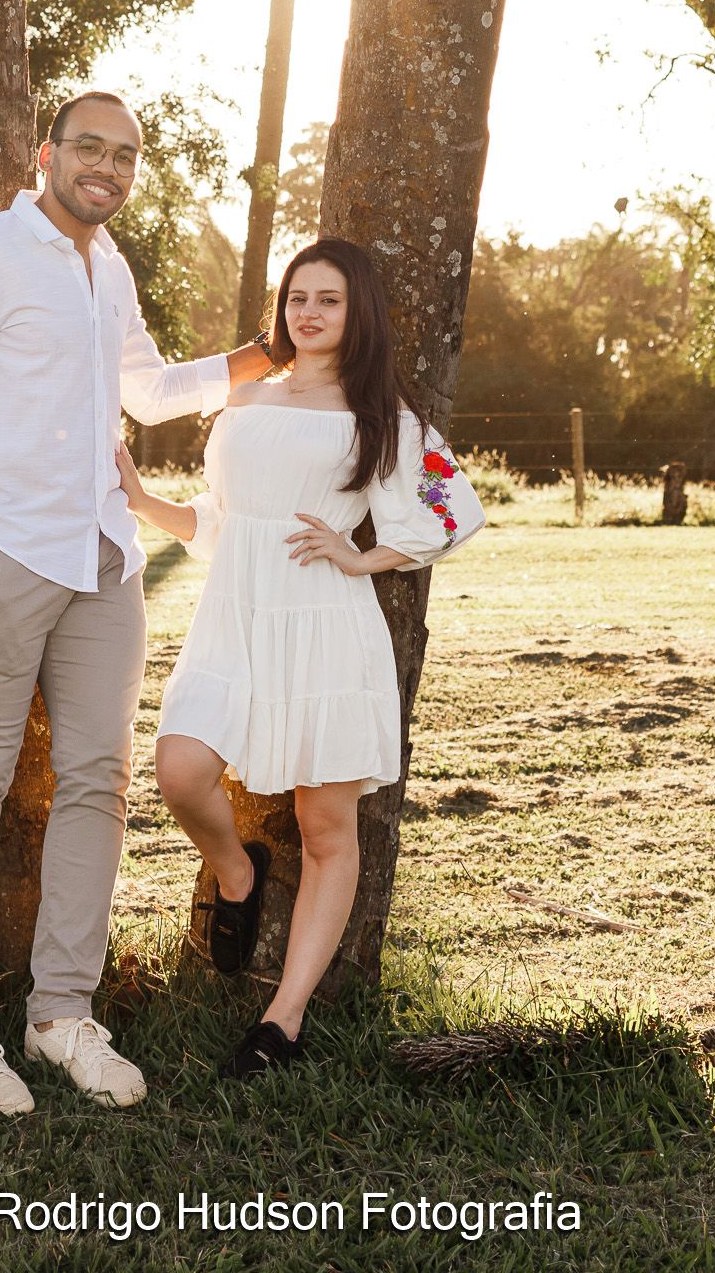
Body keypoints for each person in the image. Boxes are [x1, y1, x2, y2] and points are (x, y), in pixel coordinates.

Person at [0, 89, 273, 1117]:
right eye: (89, 147)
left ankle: (62, 1015)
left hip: (104, 562)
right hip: (0, 559)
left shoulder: (111, 269)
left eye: (126, 155)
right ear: (45, 154)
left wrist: (267, 352)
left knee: (98, 787)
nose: (107, 166)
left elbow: (146, 392)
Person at [116, 235, 485, 1078]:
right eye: (297, 298)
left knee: (328, 829)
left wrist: (364, 557)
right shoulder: (244, 400)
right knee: (179, 770)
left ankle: (281, 1023)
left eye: (329, 300)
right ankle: (236, 872)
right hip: (232, 622)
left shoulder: (383, 415)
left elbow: (453, 509)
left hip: (326, 629)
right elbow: (223, 522)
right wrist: (142, 501)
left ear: (359, 316)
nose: (308, 313)